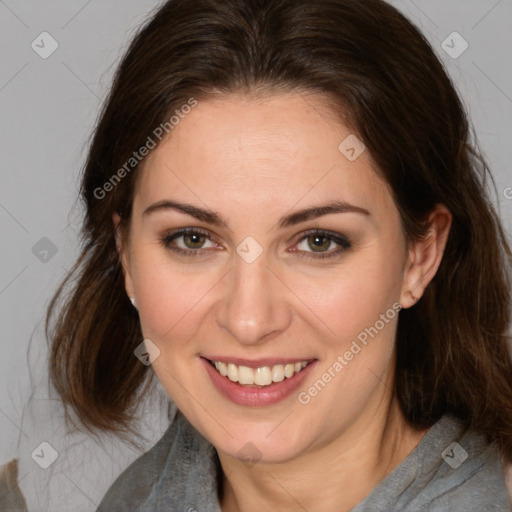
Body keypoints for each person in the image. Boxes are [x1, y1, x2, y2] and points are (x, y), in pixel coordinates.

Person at [44, 0, 512, 510]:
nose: (249, 320)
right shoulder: (136, 498)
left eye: (318, 242)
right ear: (126, 256)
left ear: (420, 256)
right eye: (193, 239)